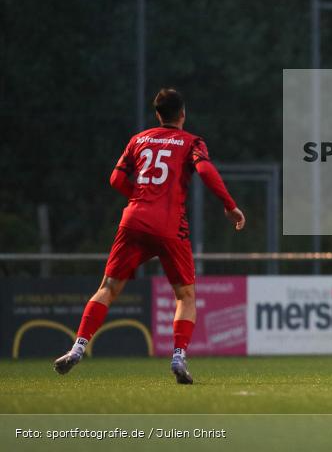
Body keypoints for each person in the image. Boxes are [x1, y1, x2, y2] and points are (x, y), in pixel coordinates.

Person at [53, 88, 245, 384]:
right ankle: (179, 357)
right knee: (186, 294)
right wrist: (230, 206)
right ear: (183, 113)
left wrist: (141, 200)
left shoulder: (138, 139)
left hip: (134, 220)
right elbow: (205, 170)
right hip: (170, 225)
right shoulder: (191, 141)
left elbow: (116, 179)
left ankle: (78, 347)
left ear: (158, 114)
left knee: (108, 287)